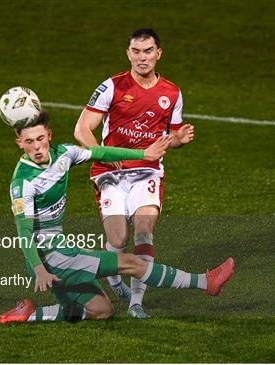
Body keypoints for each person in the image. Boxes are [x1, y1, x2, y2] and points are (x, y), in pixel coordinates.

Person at [0, 111, 234, 323]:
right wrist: (40, 270)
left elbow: (101, 151)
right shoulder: (22, 183)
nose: (37, 147)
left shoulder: (64, 153)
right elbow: (23, 233)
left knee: (101, 310)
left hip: (59, 249)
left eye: (41, 138)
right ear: (19, 143)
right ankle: (206, 282)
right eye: (29, 141)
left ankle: (29, 314)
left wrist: (143, 154)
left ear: (49, 135)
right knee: (132, 263)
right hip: (49, 257)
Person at [74, 28, 194, 318]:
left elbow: (172, 138)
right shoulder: (112, 86)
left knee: (144, 230)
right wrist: (105, 155)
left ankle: (136, 303)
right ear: (129, 54)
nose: (143, 57)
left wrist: (180, 139)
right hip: (111, 172)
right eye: (137, 51)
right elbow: (82, 129)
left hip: (147, 171)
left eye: (148, 51)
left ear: (158, 53)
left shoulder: (171, 93)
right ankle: (115, 278)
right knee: (117, 239)